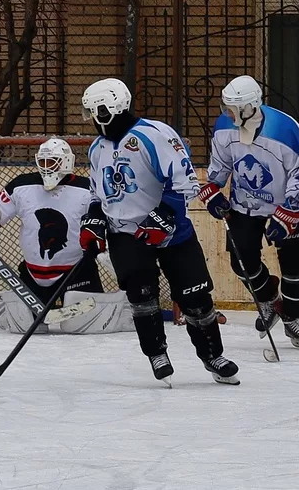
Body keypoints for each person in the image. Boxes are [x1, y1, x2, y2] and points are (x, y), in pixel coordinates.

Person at [81, 77, 238, 386]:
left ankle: (212, 355)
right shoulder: (98, 148)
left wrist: (163, 216)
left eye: (92, 111)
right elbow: (97, 193)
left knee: (196, 298)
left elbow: (185, 182)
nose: (90, 119)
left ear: (108, 108)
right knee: (141, 297)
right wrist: (95, 219)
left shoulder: (155, 135)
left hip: (173, 233)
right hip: (125, 235)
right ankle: (156, 352)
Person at [0, 137, 131, 334]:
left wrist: (112, 251)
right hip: (34, 273)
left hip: (77, 271)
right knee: (23, 325)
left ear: (66, 162)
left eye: (53, 162)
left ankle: (125, 310)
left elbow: (109, 220)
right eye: (43, 162)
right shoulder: (21, 185)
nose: (47, 167)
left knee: (82, 326)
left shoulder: (89, 189)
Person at [198, 75, 299, 349]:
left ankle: (292, 320)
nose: (226, 113)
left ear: (248, 107)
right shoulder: (224, 127)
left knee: (294, 261)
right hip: (244, 203)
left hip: (285, 203)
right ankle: (268, 299)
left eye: (232, 108)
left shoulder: (286, 130)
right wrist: (214, 189)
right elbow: (220, 164)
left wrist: (290, 212)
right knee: (241, 260)